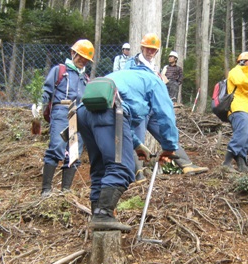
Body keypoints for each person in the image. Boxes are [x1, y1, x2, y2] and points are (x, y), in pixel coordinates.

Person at [77, 63, 179, 232]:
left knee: (100, 168)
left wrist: (137, 144)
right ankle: (104, 214)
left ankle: (98, 215)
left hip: (83, 113)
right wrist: (169, 146)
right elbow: (166, 114)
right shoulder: (154, 80)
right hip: (109, 110)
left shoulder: (123, 75)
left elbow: (119, 123)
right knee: (122, 167)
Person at [126, 34, 208, 180]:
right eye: (148, 48)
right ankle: (138, 174)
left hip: (153, 109)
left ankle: (186, 164)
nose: (150, 52)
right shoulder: (132, 64)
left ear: (157, 51)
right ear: (142, 47)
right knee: (137, 139)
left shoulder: (154, 67)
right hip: (140, 108)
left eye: (153, 50)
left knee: (167, 134)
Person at [40, 39, 94, 197]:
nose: (82, 61)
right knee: (56, 147)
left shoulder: (86, 78)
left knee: (74, 153)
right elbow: (47, 90)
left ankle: (65, 191)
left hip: (78, 114)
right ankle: (46, 190)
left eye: (86, 59)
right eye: (80, 56)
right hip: (62, 109)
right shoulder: (60, 70)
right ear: (73, 53)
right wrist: (39, 104)